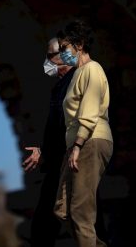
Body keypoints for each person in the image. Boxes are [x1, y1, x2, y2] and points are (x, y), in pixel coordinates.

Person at [53, 19, 113, 247]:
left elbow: (88, 111)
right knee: (62, 208)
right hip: (77, 145)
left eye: (64, 47)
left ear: (79, 45)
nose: (61, 53)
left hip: (89, 140)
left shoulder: (92, 69)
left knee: (80, 212)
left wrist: (77, 146)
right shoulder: (77, 75)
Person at [22, 38, 76, 247]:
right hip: (58, 160)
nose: (47, 62)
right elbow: (57, 127)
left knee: (78, 219)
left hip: (69, 159)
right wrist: (42, 150)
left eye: (49, 56)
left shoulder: (75, 82)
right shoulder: (59, 87)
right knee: (49, 222)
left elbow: (69, 124)